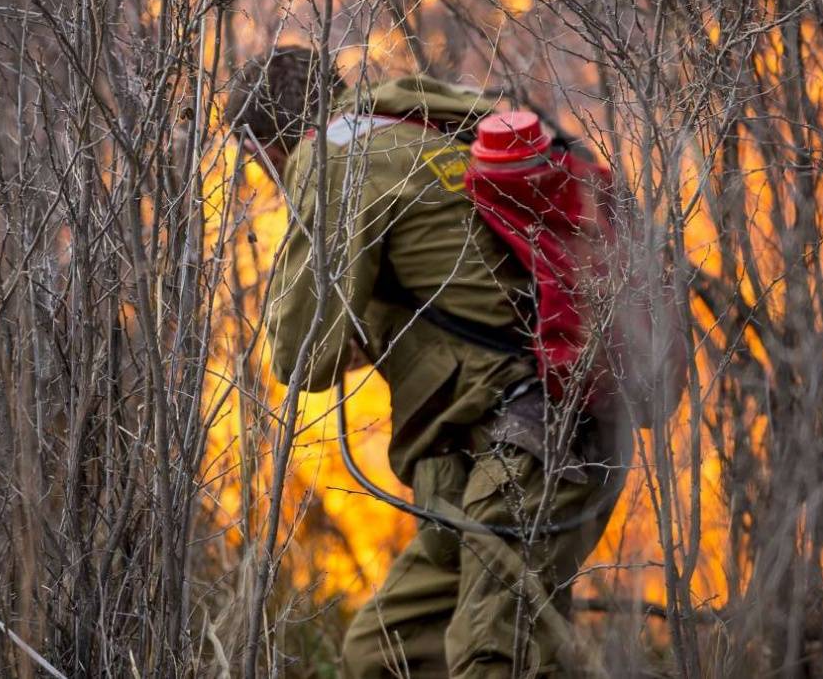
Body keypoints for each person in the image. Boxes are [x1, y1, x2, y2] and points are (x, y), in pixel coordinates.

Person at [228, 46, 631, 678]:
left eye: (256, 164)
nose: (264, 180)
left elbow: (300, 352)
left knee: (491, 659)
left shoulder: (333, 156)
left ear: (265, 145)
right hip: (522, 442)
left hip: (530, 441)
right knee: (384, 654)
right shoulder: (420, 127)